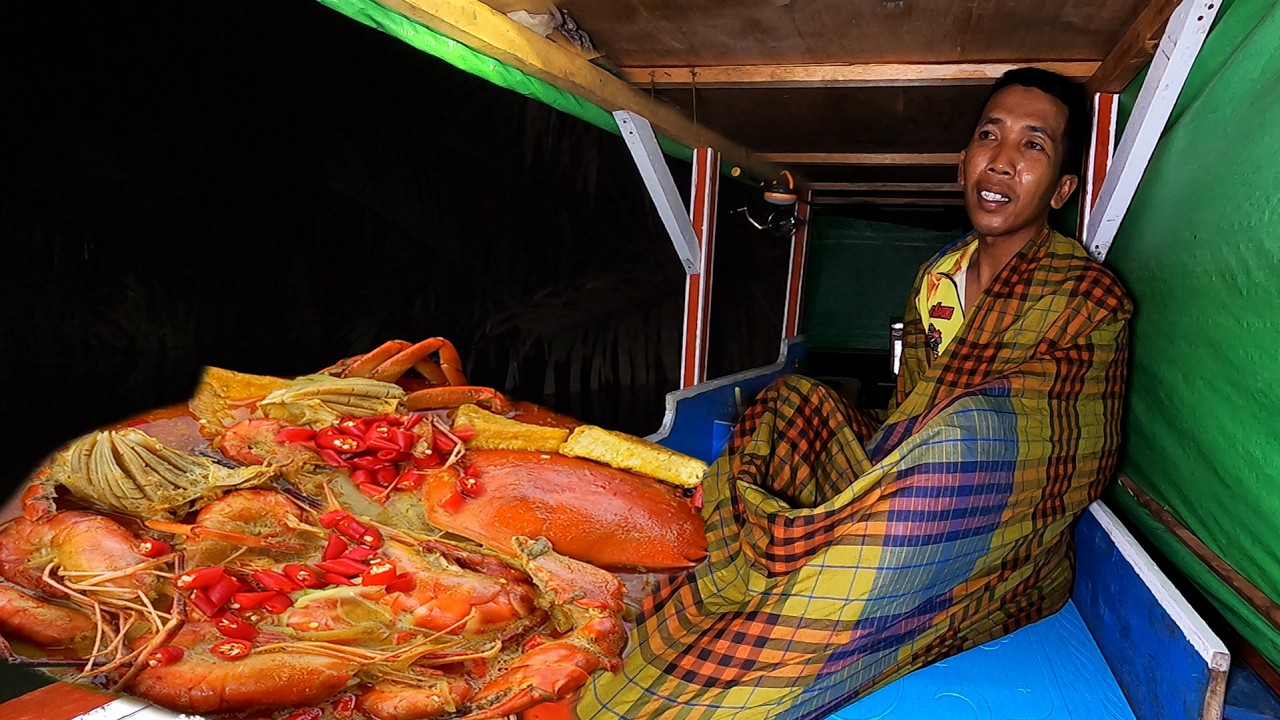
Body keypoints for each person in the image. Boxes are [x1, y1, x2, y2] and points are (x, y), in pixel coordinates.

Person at [541, 68, 1132, 720]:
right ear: (963, 162)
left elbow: (1070, 451)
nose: (1002, 160)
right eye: (990, 136)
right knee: (794, 400)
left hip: (982, 512)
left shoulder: (1087, 298)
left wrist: (928, 454)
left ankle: (784, 617)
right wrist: (884, 460)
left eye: (1033, 145)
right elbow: (908, 408)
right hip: (903, 465)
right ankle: (738, 555)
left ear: (1062, 189)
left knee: (967, 438)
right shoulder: (936, 282)